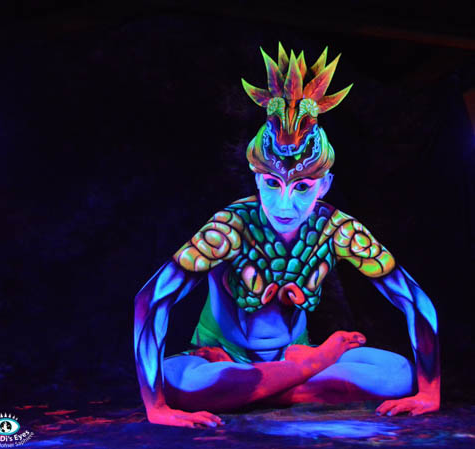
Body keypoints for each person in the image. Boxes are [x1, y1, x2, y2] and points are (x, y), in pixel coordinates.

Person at [134, 43, 440, 428]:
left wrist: (430, 391)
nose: (284, 204)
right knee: (179, 380)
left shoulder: (337, 229)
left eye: (302, 187)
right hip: (224, 360)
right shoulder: (228, 228)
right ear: (256, 176)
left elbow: (414, 299)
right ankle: (305, 371)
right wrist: (157, 407)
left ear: (324, 185)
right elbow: (150, 300)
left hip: (284, 358)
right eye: (272, 183)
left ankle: (260, 390)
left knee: (398, 374)